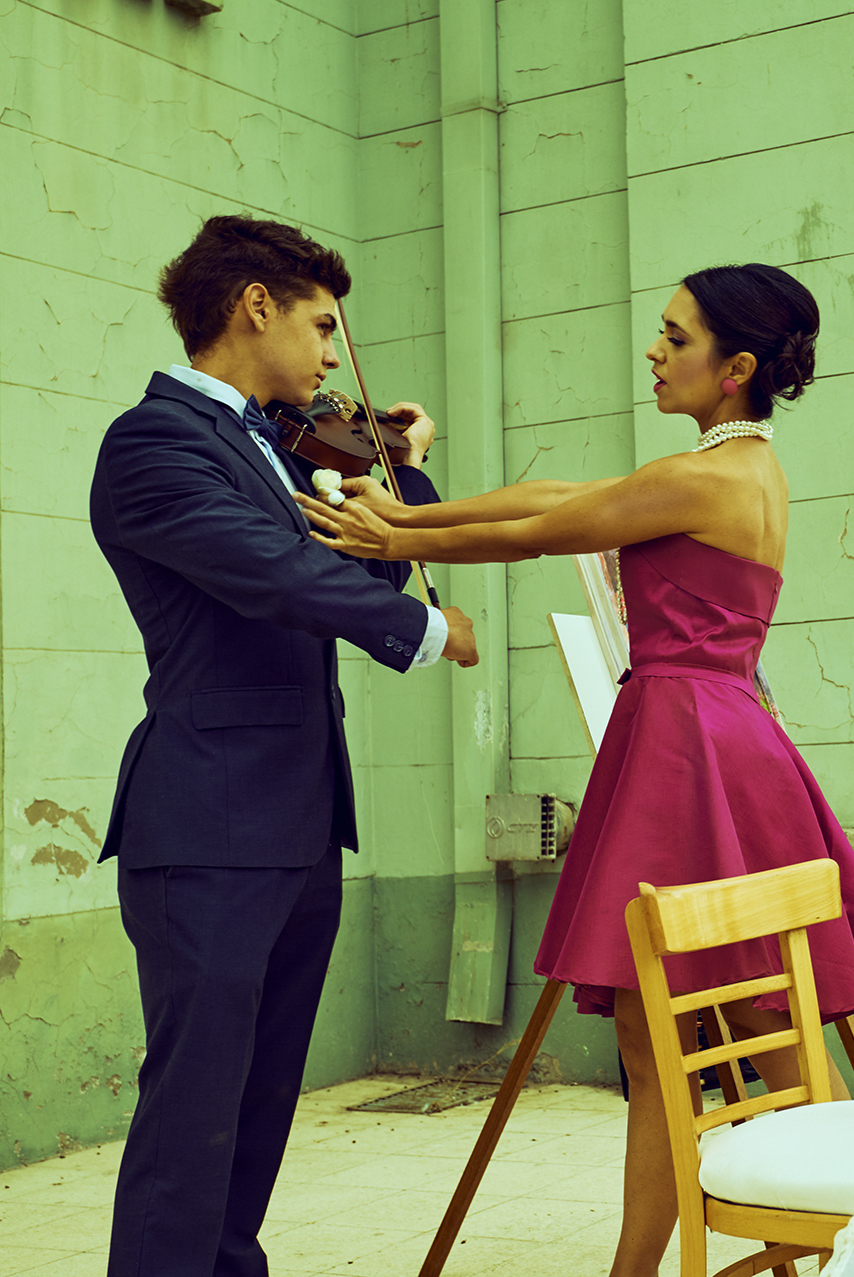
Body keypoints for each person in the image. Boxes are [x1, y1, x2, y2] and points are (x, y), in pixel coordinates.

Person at [299, 262, 854, 1277]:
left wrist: (397, 526)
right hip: (705, 740)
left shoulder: (709, 477)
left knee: (768, 1030)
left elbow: (543, 531)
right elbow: (557, 495)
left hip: (694, 749)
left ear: (736, 367)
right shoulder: (730, 466)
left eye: (677, 337)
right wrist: (403, 511)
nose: (654, 350)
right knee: (651, 1030)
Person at [91, 214, 479, 1277]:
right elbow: (278, 575)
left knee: (256, 1110)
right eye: (322, 326)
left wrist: (401, 469)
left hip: (297, 825)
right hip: (208, 825)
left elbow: (363, 565)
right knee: (193, 1120)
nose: (331, 357)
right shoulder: (155, 442)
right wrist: (427, 631)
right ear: (254, 306)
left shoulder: (274, 444)